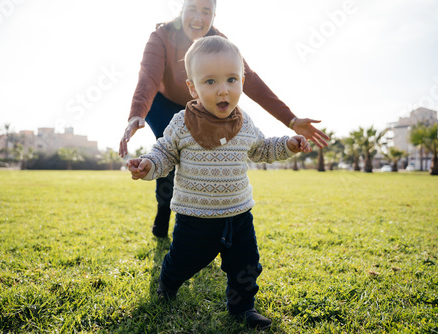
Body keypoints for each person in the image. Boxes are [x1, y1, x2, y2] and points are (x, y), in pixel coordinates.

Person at [126, 36, 312, 330]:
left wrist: (288, 144)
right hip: (194, 217)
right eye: (210, 82)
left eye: (231, 79)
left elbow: (262, 148)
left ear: (241, 81)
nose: (223, 89)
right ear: (193, 88)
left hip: (238, 214)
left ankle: (243, 307)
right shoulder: (181, 123)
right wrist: (148, 165)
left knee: (246, 263)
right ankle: (168, 282)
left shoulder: (244, 123)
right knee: (182, 262)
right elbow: (163, 153)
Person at [119, 0, 328, 238]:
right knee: (168, 151)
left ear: (214, 16)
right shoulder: (162, 35)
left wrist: (290, 119)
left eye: (206, 11)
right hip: (162, 104)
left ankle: (209, 211)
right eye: (192, 10)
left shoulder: (219, 44)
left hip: (204, 102)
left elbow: (250, 80)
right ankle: (164, 209)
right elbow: (148, 76)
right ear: (181, 11)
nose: (198, 18)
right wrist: (137, 113)